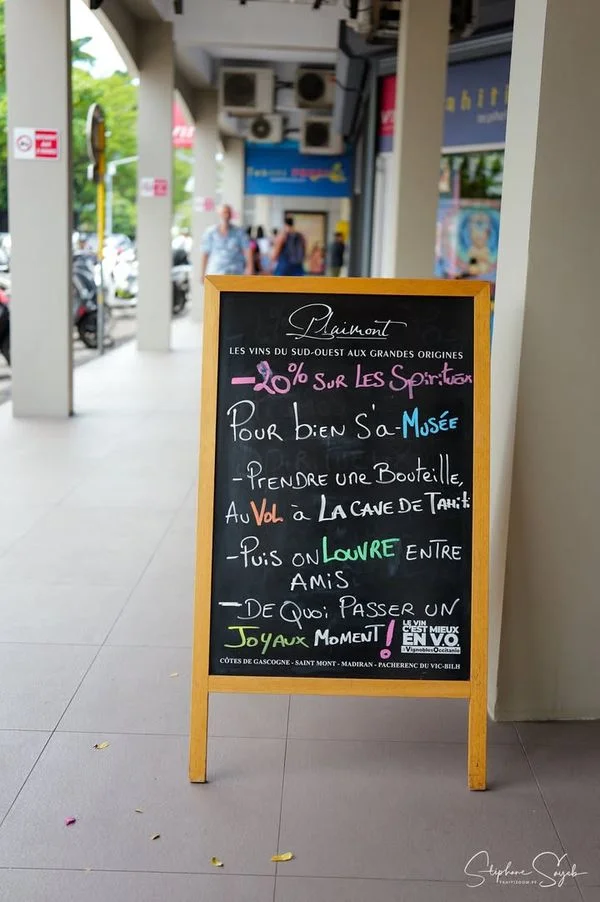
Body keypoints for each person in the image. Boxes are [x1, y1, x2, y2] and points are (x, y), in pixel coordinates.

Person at [201, 204, 252, 277]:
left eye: (228, 213)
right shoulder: (210, 232)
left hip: (235, 271)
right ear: (219, 214)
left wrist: (249, 268)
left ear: (231, 215)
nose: (226, 215)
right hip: (216, 272)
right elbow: (205, 253)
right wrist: (203, 273)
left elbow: (247, 249)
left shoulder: (239, 232)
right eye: (224, 213)